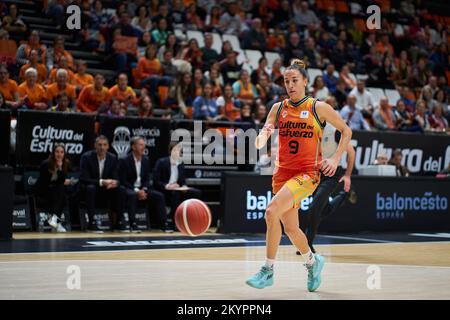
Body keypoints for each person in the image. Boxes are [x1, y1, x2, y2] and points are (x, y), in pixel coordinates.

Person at [246, 59, 352, 292]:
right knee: (292, 229)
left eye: (295, 80)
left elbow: (346, 130)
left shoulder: (318, 107)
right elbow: (264, 133)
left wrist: (335, 159)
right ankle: (313, 263)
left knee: (271, 211)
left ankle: (268, 270)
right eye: (286, 81)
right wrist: (262, 136)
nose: (290, 85)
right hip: (281, 173)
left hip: (307, 174)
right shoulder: (278, 108)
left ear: (305, 82)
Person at [298, 97, 356, 253]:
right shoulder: (312, 125)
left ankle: (307, 244)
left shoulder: (337, 129)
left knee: (314, 207)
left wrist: (348, 175)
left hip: (331, 174)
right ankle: (344, 195)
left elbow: (351, 153)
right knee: (322, 209)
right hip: (314, 173)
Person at [119, 136, 170, 232]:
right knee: (132, 195)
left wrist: (144, 189)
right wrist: (137, 190)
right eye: (141, 145)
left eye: (144, 145)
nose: (143, 147)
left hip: (142, 188)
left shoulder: (145, 160)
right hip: (129, 188)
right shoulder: (124, 160)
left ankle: (163, 224)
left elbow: (147, 178)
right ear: (133, 147)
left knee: (159, 196)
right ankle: (132, 224)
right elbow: (122, 180)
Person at [153, 142, 202, 231]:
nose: (178, 153)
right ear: (170, 151)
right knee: (175, 193)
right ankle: (173, 221)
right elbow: (156, 181)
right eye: (175, 150)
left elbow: (182, 180)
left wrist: (184, 186)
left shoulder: (180, 164)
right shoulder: (161, 162)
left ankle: (192, 219)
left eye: (179, 151)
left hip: (177, 189)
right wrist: (168, 186)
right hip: (165, 189)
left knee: (196, 192)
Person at [79, 136, 121, 233]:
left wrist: (115, 183)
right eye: (100, 145)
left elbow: (116, 177)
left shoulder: (113, 158)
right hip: (89, 188)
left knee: (120, 189)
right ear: (95, 146)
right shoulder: (86, 157)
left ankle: (118, 222)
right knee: (91, 188)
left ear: (108, 147)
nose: (102, 147)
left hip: (106, 189)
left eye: (104, 145)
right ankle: (92, 223)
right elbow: (83, 178)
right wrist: (102, 182)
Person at [34, 143, 72, 233]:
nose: (59, 154)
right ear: (53, 153)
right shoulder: (46, 164)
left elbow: (62, 180)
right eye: (57, 152)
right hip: (43, 190)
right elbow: (44, 182)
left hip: (56, 192)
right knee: (60, 193)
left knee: (62, 194)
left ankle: (54, 221)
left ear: (64, 153)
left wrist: (59, 168)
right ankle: (56, 222)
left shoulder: (65, 163)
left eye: (62, 152)